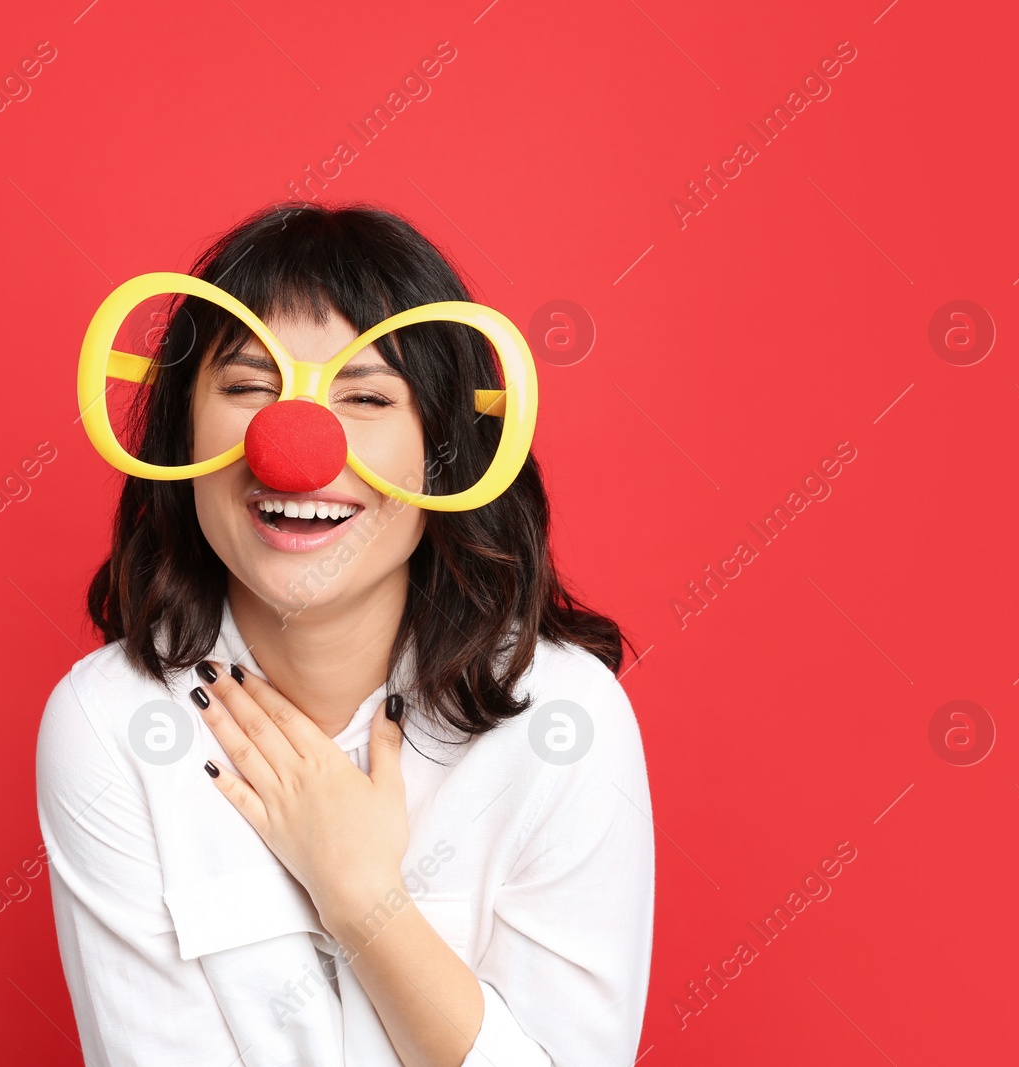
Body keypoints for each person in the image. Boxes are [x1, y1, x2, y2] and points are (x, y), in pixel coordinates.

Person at [35, 201, 654, 1066]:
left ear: (446, 448)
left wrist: (361, 895)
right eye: (249, 388)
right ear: (181, 426)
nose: (295, 442)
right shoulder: (109, 723)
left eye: (365, 395)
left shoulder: (564, 720)